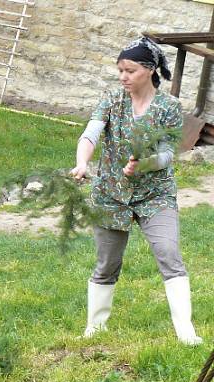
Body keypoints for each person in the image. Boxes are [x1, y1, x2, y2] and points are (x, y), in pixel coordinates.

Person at [71, 37, 202, 345]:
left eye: (129, 70)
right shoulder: (112, 100)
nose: (123, 77)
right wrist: (81, 163)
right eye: (120, 70)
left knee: (169, 254)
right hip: (111, 194)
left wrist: (144, 164)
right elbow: (90, 134)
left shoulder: (168, 107)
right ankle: (95, 328)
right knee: (107, 264)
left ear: (150, 69)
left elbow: (168, 154)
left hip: (155, 194)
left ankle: (186, 332)